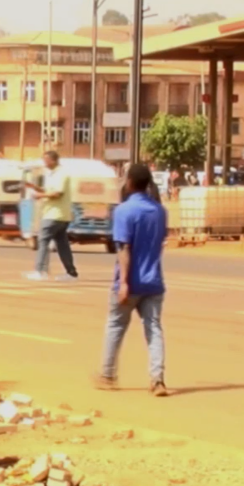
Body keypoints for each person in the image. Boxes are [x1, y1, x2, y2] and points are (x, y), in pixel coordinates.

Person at [96, 164, 169, 396]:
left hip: (130, 282)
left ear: (129, 182)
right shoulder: (160, 211)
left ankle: (107, 375)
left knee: (116, 325)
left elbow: (124, 249)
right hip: (154, 281)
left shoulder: (124, 211)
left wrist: (124, 283)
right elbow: (159, 244)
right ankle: (157, 380)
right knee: (154, 329)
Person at [25, 150, 78, 282]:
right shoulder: (52, 174)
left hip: (54, 214)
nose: (44, 163)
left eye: (46, 160)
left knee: (43, 240)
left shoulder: (62, 174)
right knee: (62, 244)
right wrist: (35, 188)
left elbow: (57, 193)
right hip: (58, 215)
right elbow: (49, 191)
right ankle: (71, 273)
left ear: (53, 160)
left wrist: (39, 196)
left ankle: (40, 271)